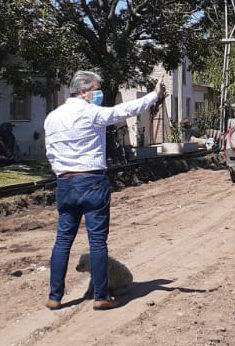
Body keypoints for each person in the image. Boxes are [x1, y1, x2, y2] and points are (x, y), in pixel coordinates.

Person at [44, 71, 165, 311]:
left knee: (62, 241)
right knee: (97, 241)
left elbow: (50, 151)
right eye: (97, 89)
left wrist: (62, 171)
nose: (99, 94)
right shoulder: (92, 113)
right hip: (92, 182)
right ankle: (100, 296)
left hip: (65, 183)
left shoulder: (52, 118)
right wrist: (154, 95)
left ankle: (54, 297)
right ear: (84, 91)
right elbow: (125, 110)